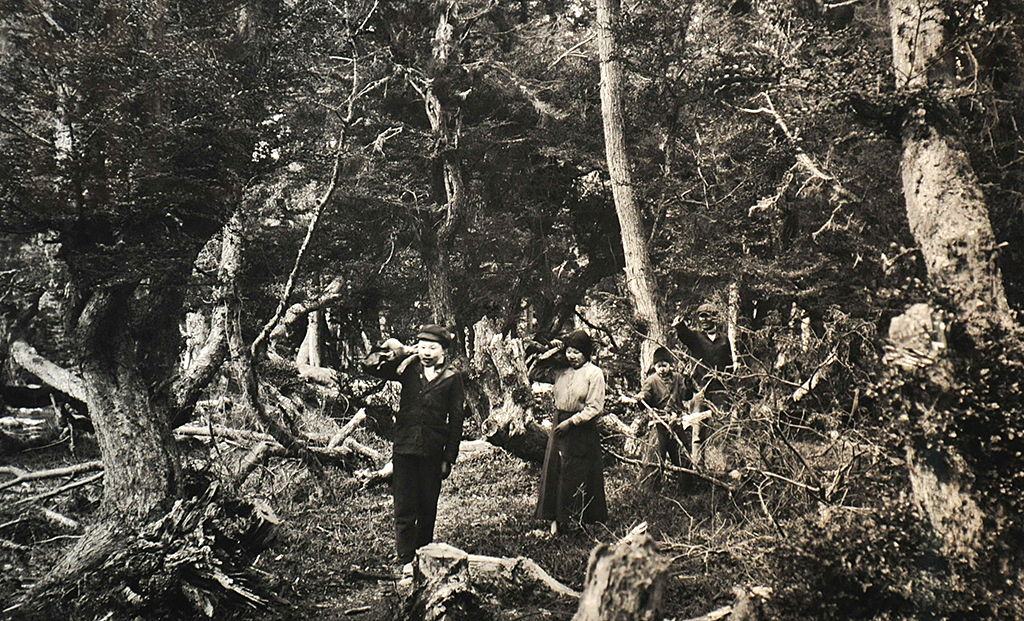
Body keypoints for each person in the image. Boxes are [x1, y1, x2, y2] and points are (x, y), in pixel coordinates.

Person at [363, 324, 466, 571]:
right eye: (422, 347)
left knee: (427, 506)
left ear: (444, 351)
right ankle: (405, 559)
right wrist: (397, 350)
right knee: (404, 506)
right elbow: (369, 365)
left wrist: (448, 458)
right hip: (405, 447)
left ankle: (423, 557)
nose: (426, 352)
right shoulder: (408, 369)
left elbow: (457, 420)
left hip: (433, 451)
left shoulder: (453, 377)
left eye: (432, 347)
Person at [529, 329, 608, 535]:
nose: (572, 356)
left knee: (578, 473)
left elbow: (594, 407)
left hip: (582, 428)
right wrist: (552, 354)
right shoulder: (561, 371)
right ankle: (555, 522)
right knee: (556, 472)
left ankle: (580, 521)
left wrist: (571, 423)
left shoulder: (594, 373)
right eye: (570, 352)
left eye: (577, 352)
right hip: (559, 422)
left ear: (586, 353)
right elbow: (534, 373)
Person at [637, 346, 693, 492]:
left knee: (683, 455)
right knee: (655, 456)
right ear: (654, 367)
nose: (662, 369)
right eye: (658, 366)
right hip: (659, 422)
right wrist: (641, 398)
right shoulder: (652, 381)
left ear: (671, 365)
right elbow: (645, 396)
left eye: (665, 365)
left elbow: (687, 395)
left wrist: (688, 383)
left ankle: (687, 490)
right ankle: (649, 491)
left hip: (677, 422)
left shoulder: (678, 378)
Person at [672, 301, 732, 408]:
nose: (703, 320)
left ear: (714, 318)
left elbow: (729, 362)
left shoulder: (724, 339)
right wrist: (679, 325)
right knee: (698, 419)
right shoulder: (695, 337)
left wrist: (728, 381)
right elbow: (685, 335)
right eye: (701, 317)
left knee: (721, 417)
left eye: (707, 316)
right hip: (700, 386)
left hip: (720, 387)